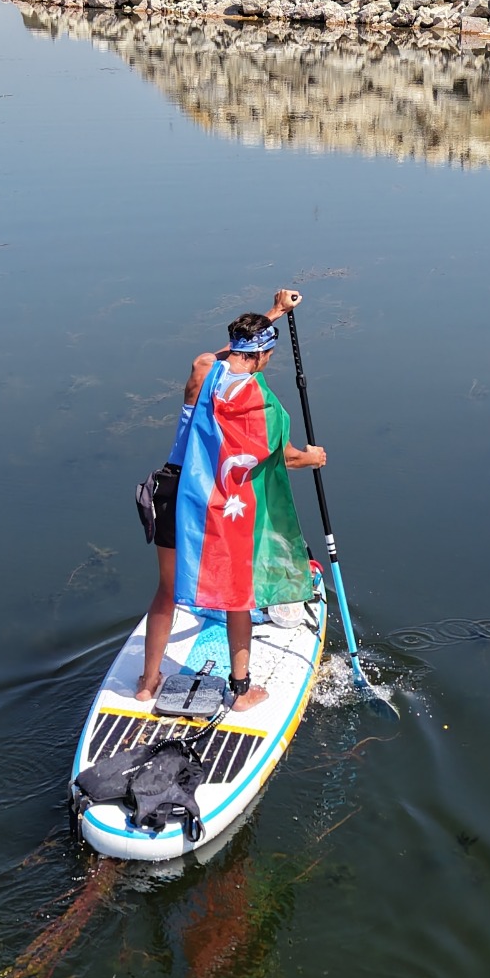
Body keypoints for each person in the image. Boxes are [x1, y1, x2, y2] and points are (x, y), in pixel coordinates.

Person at [137, 295, 328, 711]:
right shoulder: (263, 404)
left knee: (166, 589)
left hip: (172, 492)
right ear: (264, 355)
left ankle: (148, 682)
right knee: (237, 592)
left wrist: (272, 314)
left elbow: (215, 356)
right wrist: (312, 458)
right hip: (219, 507)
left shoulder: (203, 371)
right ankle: (240, 692)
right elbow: (283, 458)